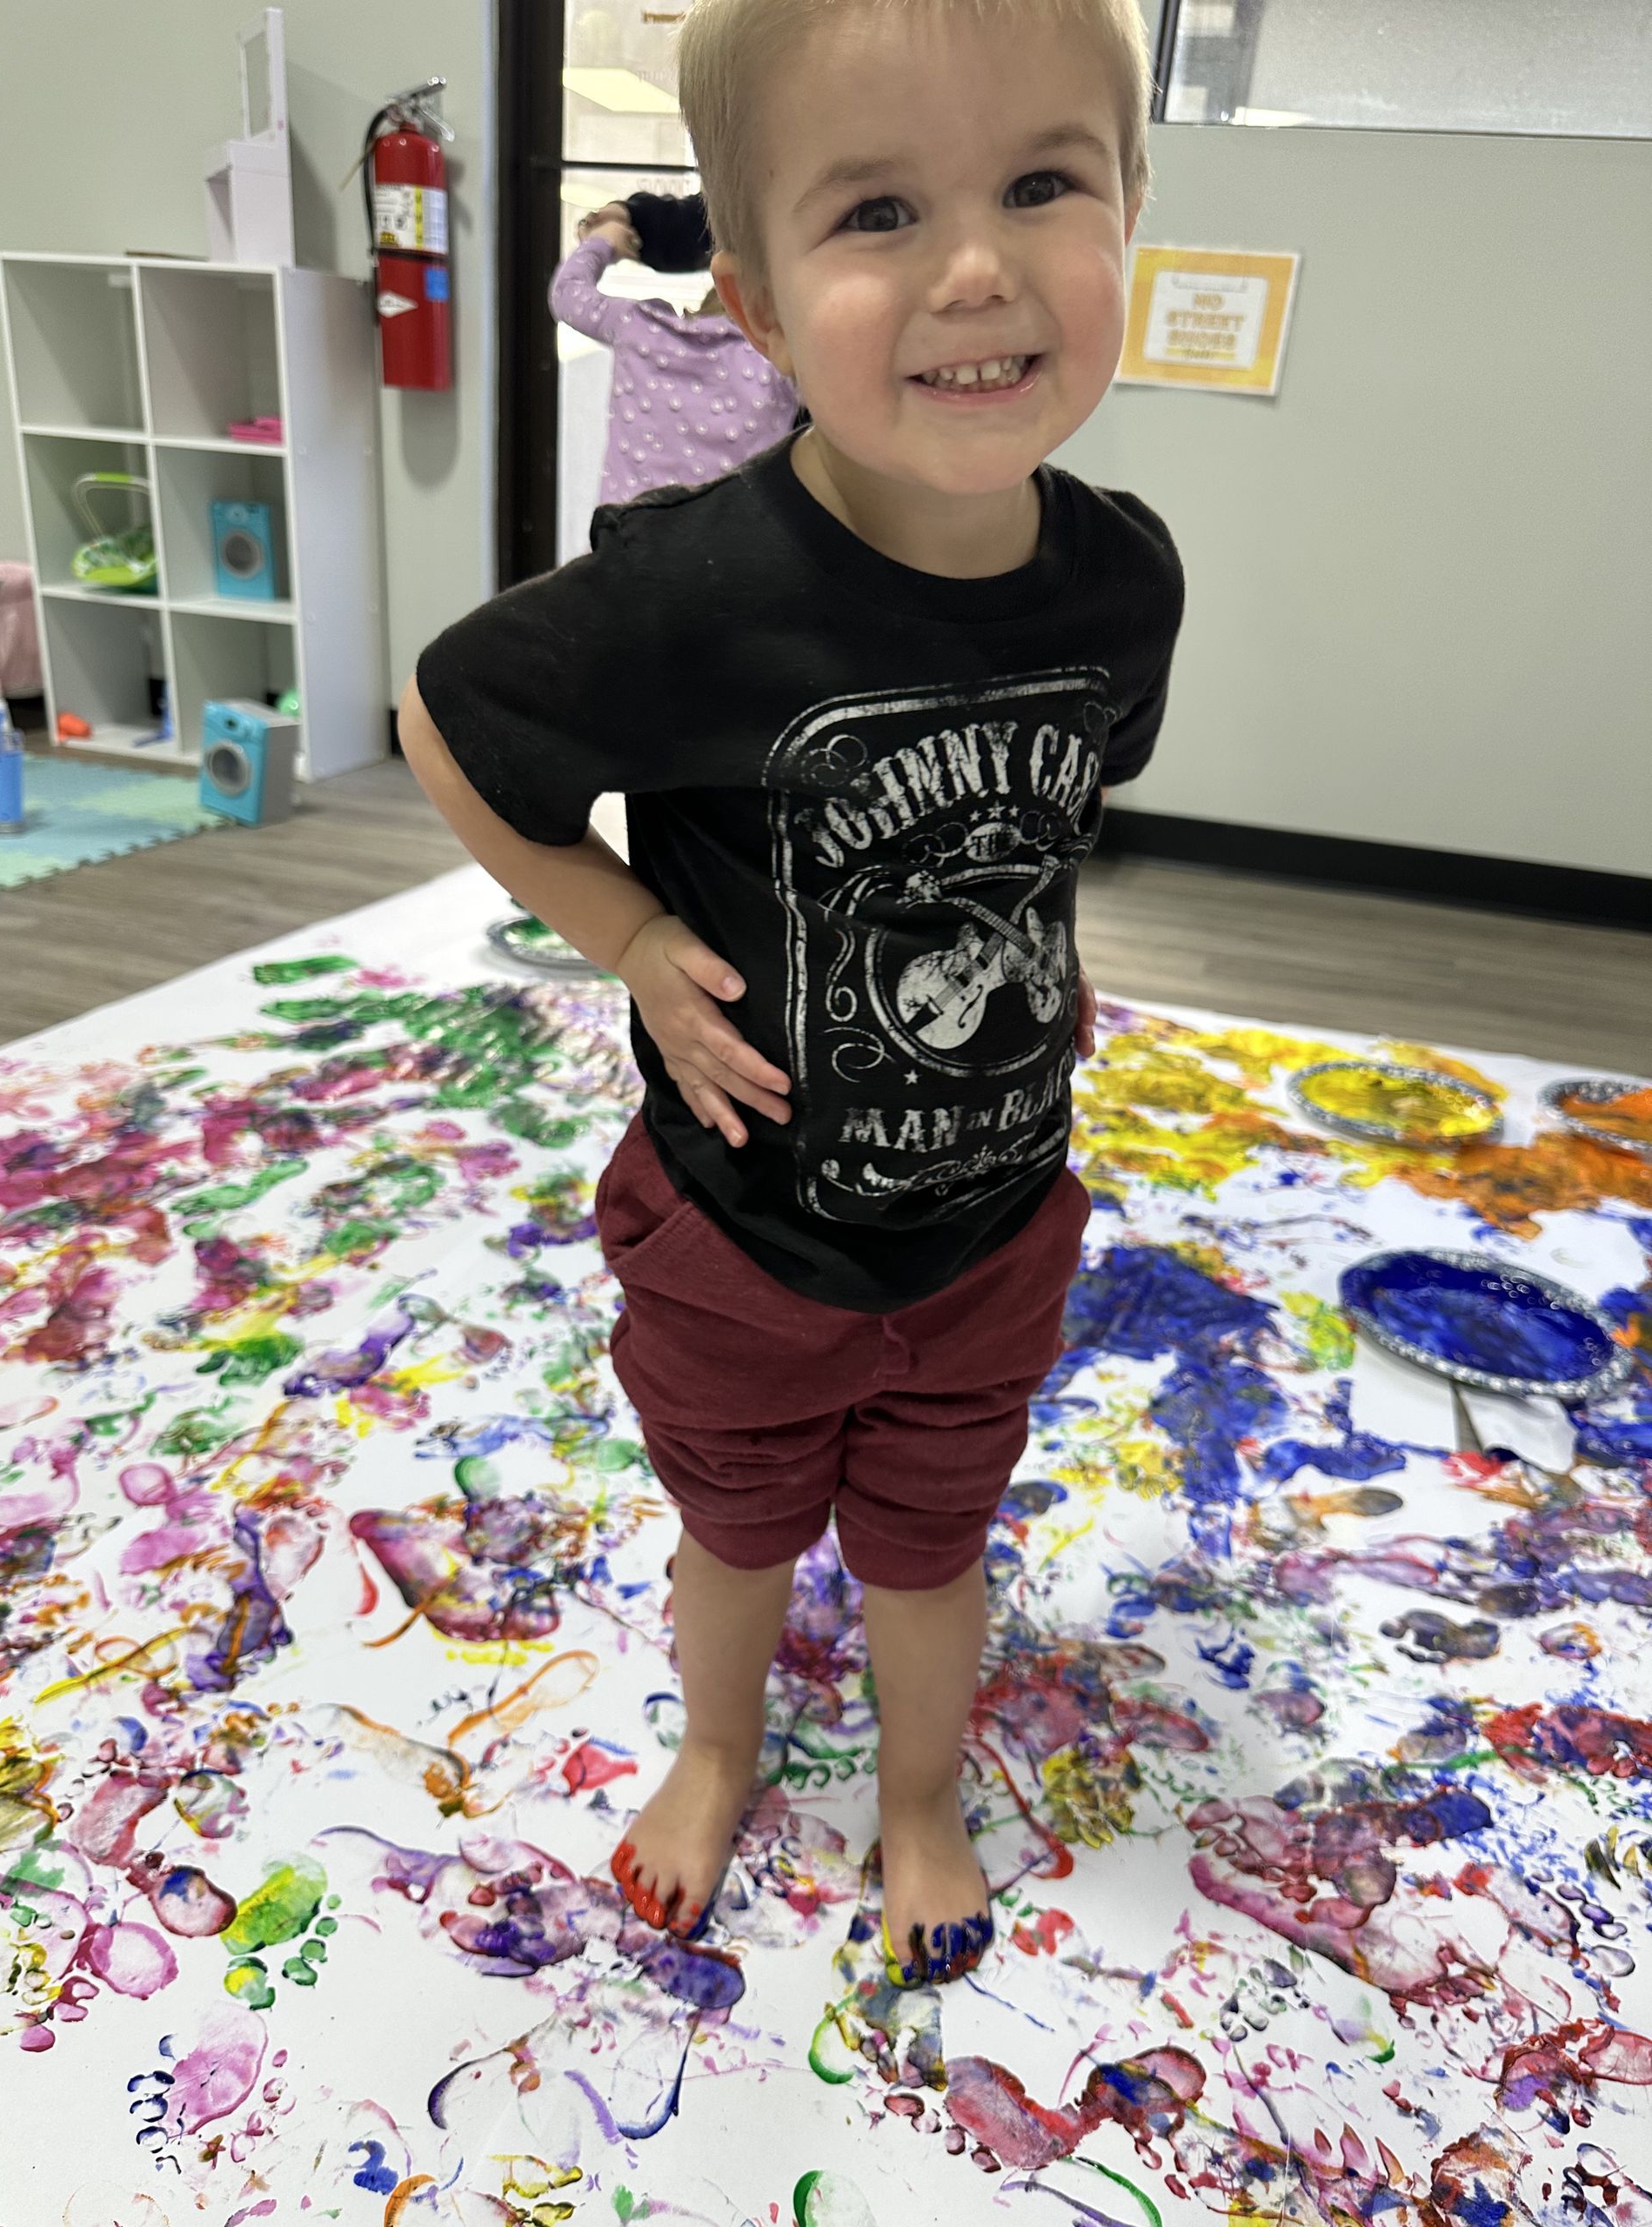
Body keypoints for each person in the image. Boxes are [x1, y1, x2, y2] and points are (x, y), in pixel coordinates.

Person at [400, 0, 1184, 1992]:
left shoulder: (1121, 582)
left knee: (931, 1547)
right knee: (737, 1540)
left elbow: (1034, 821)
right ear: (750, 306)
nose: (978, 265)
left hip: (994, 1224)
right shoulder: (692, 589)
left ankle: (918, 1791)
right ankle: (720, 1743)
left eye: (1039, 185)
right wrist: (631, 936)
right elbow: (445, 714)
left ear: (1130, 211)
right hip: (744, 1228)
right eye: (880, 212)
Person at [551, 197, 803, 505]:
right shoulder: (779, 361)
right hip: (736, 540)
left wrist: (602, 242)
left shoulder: (638, 328)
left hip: (629, 537)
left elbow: (567, 294)